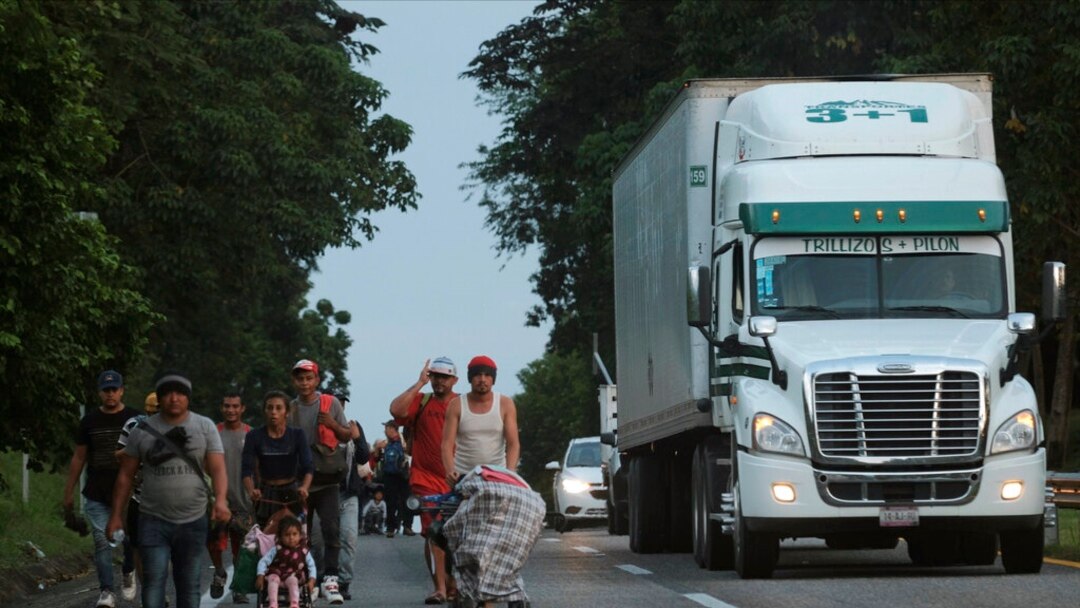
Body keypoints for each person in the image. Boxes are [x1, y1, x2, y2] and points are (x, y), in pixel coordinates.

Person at [107, 371, 231, 608]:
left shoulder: (204, 427)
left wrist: (221, 500)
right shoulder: (141, 430)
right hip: (153, 519)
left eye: (180, 393)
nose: (174, 398)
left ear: (188, 397)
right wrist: (115, 516)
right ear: (159, 398)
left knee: (188, 584)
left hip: (193, 519)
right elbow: (125, 475)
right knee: (154, 581)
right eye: (168, 393)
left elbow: (217, 468)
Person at [63, 370, 140, 608]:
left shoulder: (135, 418)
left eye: (114, 389)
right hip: (97, 491)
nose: (110, 394)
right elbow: (79, 457)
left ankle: (129, 570)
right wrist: (69, 492)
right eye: (106, 390)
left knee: (128, 538)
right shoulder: (89, 421)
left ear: (121, 391)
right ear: (99, 392)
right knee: (102, 541)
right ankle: (107, 591)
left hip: (127, 492)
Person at [389, 357, 459, 604]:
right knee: (433, 531)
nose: (439, 381)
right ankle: (440, 587)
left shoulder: (461, 404)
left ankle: (453, 581)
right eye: (435, 375)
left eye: (444, 377)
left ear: (454, 380)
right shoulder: (422, 401)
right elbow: (396, 410)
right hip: (425, 478)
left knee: (455, 533)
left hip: (456, 480)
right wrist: (419, 383)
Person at [287, 359, 350, 605]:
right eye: (300, 378)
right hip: (300, 480)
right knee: (300, 533)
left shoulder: (331, 403)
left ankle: (331, 577)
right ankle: (306, 577)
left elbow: (346, 435)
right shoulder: (290, 408)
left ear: (317, 380)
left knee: (331, 528)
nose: (304, 383)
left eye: (308, 378)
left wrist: (332, 424)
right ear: (294, 381)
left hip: (326, 478)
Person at [112, 391, 161, 604]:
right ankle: (149, 593)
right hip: (139, 496)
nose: (154, 416)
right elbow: (119, 455)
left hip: (169, 500)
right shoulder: (134, 425)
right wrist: (138, 447)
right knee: (138, 547)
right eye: (151, 412)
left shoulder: (179, 428)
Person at [442, 355, 521, 485]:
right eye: (477, 375)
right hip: (464, 476)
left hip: (498, 476)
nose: (482, 379)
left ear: (493, 379)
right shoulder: (456, 405)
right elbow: (446, 444)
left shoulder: (505, 404)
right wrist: (450, 471)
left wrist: (510, 472)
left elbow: (513, 443)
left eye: (487, 375)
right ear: (470, 378)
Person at [241, 391, 313, 528]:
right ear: (264, 411)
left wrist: (304, 487)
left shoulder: (297, 435)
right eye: (269, 408)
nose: (274, 412)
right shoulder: (254, 436)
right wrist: (251, 491)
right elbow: (246, 469)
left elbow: (308, 466)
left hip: (292, 493)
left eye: (278, 408)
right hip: (266, 494)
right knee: (266, 540)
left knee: (293, 539)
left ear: (286, 412)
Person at [208, 392, 253, 603]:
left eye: (235, 406)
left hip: (244, 501)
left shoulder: (250, 434)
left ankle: (239, 585)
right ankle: (219, 572)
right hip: (219, 500)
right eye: (227, 406)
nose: (231, 410)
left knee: (242, 547)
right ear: (221, 407)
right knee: (215, 542)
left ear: (243, 408)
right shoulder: (213, 433)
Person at [336, 420, 369, 600]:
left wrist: (357, 438)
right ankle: (320, 579)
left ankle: (343, 582)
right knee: (319, 540)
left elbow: (364, 457)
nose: (338, 405)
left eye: (341, 402)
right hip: (323, 492)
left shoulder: (353, 426)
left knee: (349, 537)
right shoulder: (319, 424)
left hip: (349, 493)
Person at [255, 515, 316, 608]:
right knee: (273, 579)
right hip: (276, 574)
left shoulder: (303, 551)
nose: (291, 538)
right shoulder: (277, 549)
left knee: (293, 581)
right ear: (280, 536)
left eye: (294, 534)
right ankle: (273, 604)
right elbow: (263, 562)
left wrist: (312, 580)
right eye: (287, 535)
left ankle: (294, 604)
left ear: (300, 535)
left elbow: (311, 566)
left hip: (293, 575)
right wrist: (260, 575)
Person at [375, 421, 409, 538]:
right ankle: (391, 527)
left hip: (403, 474)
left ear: (391, 428)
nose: (385, 431)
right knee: (391, 502)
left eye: (386, 428)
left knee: (405, 500)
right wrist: (377, 448)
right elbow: (377, 459)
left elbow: (408, 452)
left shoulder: (403, 440)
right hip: (389, 475)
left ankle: (406, 526)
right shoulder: (386, 444)